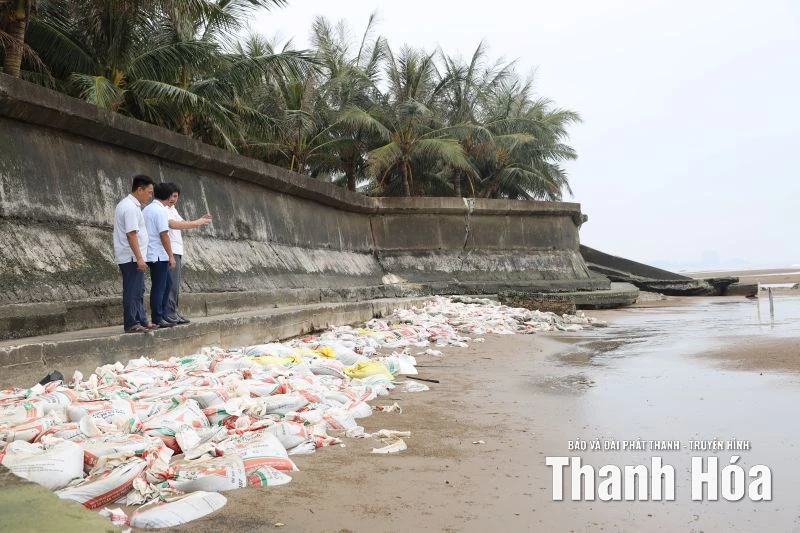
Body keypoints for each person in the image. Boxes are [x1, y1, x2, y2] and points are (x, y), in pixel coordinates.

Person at [164, 182, 212, 324]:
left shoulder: (173, 209)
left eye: (175, 196)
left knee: (175, 285)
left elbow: (183, 223)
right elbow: (174, 224)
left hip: (177, 250)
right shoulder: (163, 209)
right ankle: (169, 313)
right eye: (171, 196)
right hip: (170, 251)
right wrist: (198, 222)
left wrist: (199, 221)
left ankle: (174, 312)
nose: (173, 199)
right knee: (170, 284)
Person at [113, 175, 154, 333]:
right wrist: (139, 258)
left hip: (134, 256)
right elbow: (131, 234)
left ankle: (141, 319)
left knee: (138, 290)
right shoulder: (129, 207)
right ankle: (131, 322)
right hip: (131, 257)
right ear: (139, 189)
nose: (150, 196)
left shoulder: (133, 206)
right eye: (149, 192)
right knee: (132, 290)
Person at [142, 182, 178, 328]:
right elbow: (164, 235)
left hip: (150, 252)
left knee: (167, 283)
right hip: (158, 254)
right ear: (168, 196)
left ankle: (162, 314)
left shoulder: (147, 209)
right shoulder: (161, 211)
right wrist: (171, 255)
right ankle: (157, 317)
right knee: (160, 286)